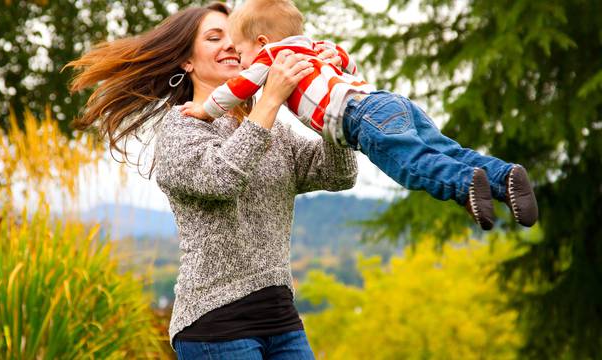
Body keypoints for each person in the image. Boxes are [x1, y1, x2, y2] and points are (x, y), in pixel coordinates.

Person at [64, 2, 357, 359]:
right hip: (216, 324)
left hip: (281, 317)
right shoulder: (181, 126)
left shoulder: (272, 130)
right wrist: (269, 102)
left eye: (234, 37)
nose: (230, 45)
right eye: (214, 37)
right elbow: (221, 179)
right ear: (187, 61)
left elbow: (338, 173)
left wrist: (333, 102)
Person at [182, 0, 539, 231]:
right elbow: (346, 61)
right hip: (385, 101)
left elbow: (238, 88)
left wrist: (204, 109)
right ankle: (503, 175)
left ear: (260, 42)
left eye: (239, 49)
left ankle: (463, 184)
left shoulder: (271, 57)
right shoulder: (315, 46)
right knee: (443, 148)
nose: (238, 57)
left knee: (410, 163)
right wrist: (338, 60)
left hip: (359, 117)